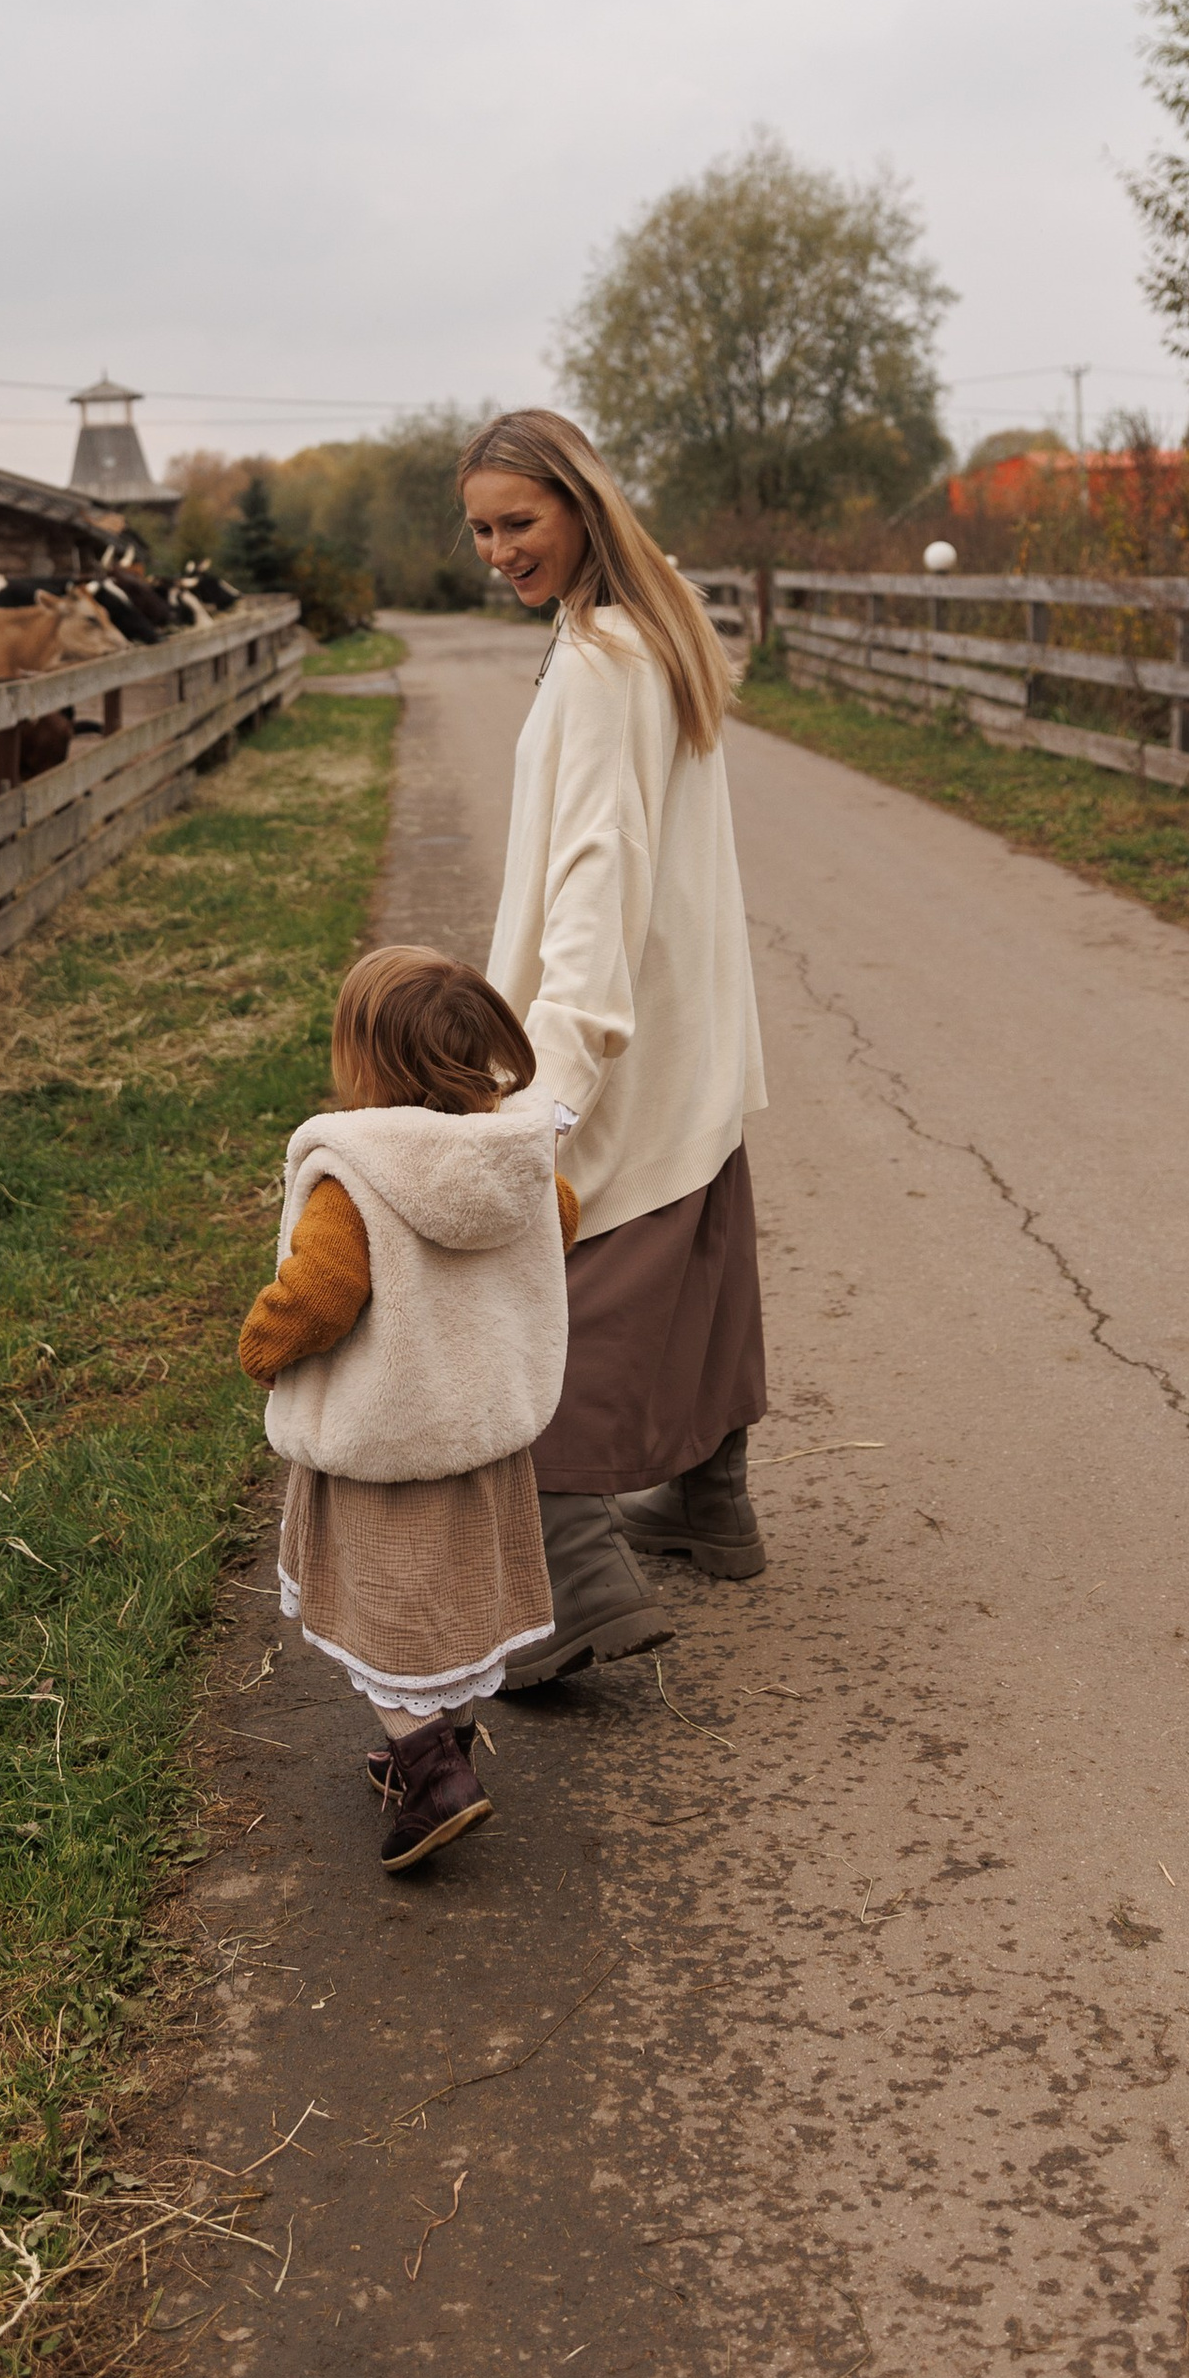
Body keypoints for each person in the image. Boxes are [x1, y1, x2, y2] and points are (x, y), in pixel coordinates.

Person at [458, 409, 769, 1681]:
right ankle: (707, 1501)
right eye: (479, 529)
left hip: (619, 1025)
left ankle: (575, 1587)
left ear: (582, 505)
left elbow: (597, 870)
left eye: (518, 523)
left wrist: (555, 1077)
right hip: (689, 1013)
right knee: (696, 1250)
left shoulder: (599, 654)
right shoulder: (662, 621)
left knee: (559, 1291)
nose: (497, 551)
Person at [240, 945, 577, 1873]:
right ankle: (438, 1747)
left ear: (364, 1061)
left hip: (387, 1448)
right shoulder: (514, 1165)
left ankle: (431, 1771)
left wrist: (263, 1344)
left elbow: (320, 1294)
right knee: (458, 1610)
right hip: (478, 1443)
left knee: (383, 1618)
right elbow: (564, 1220)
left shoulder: (358, 1178)